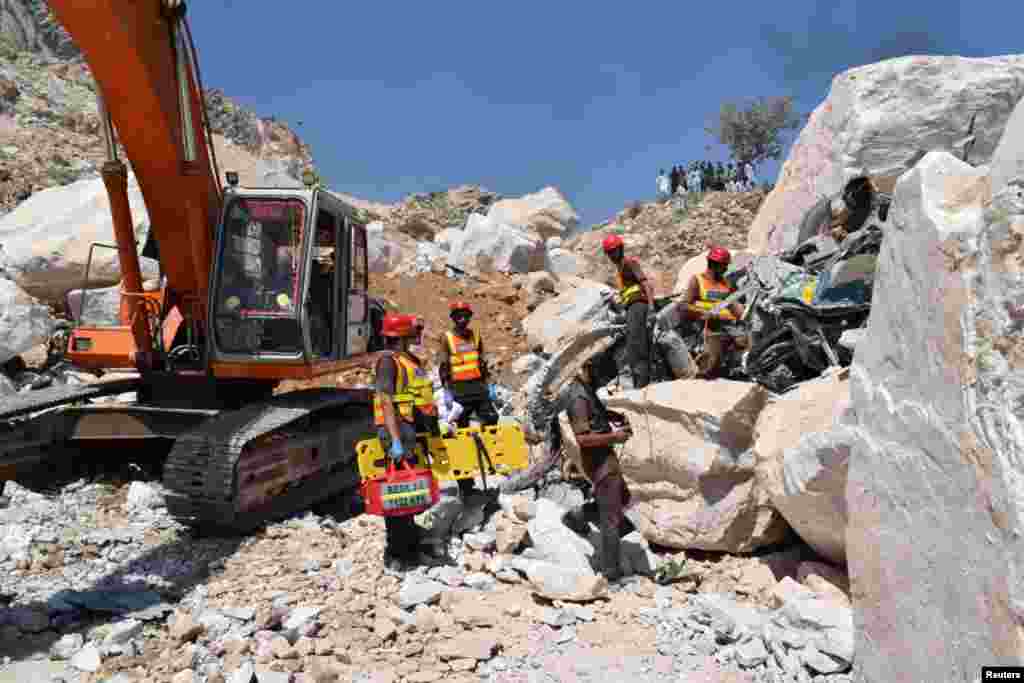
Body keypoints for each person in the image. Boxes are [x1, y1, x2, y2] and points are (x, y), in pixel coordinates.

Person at [559, 356, 634, 581]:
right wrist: (616, 436)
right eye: (600, 374)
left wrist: (614, 416)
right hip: (599, 460)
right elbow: (582, 438)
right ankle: (612, 573)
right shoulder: (578, 397)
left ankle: (576, 517)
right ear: (587, 369)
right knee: (611, 517)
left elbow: (596, 414)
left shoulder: (586, 388)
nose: (602, 380)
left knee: (621, 497)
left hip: (605, 456)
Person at [373, 313, 436, 568]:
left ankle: (409, 545)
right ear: (400, 338)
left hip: (406, 427)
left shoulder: (403, 359)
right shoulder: (388, 362)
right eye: (409, 334)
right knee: (396, 493)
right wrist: (395, 440)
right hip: (395, 429)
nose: (414, 337)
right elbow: (386, 399)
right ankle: (398, 553)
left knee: (409, 490)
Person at [437, 301, 499, 495]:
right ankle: (466, 483)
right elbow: (443, 366)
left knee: (491, 419)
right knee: (459, 436)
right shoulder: (447, 338)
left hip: (478, 389)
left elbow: (482, 362)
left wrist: (489, 385)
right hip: (458, 392)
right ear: (453, 318)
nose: (463, 319)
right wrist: (447, 391)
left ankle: (494, 461)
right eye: (459, 316)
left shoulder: (476, 335)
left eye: (466, 316)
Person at [601, 234, 656, 389]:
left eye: (614, 251)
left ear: (620, 249)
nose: (612, 255)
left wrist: (651, 308)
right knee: (632, 349)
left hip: (638, 306)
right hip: (631, 308)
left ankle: (641, 386)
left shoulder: (629, 263)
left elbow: (645, 284)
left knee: (636, 347)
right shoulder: (619, 270)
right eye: (609, 253)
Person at [683, 246, 745, 378]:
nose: (726, 269)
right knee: (711, 361)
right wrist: (703, 312)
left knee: (744, 343)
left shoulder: (726, 284)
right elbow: (684, 305)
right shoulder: (697, 280)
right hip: (706, 328)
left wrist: (743, 313)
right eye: (724, 266)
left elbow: (734, 308)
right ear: (714, 265)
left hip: (727, 326)